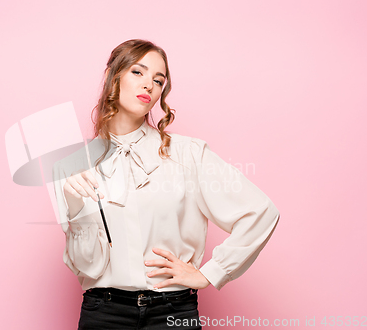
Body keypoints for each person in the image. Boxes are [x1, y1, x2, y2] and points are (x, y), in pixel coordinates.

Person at [52, 39, 280, 330]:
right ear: (114, 76)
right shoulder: (71, 167)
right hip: (103, 313)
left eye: (158, 80)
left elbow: (260, 211)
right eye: (138, 72)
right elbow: (88, 266)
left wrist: (212, 272)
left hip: (172, 313)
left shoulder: (188, 154)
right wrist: (74, 206)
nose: (149, 85)